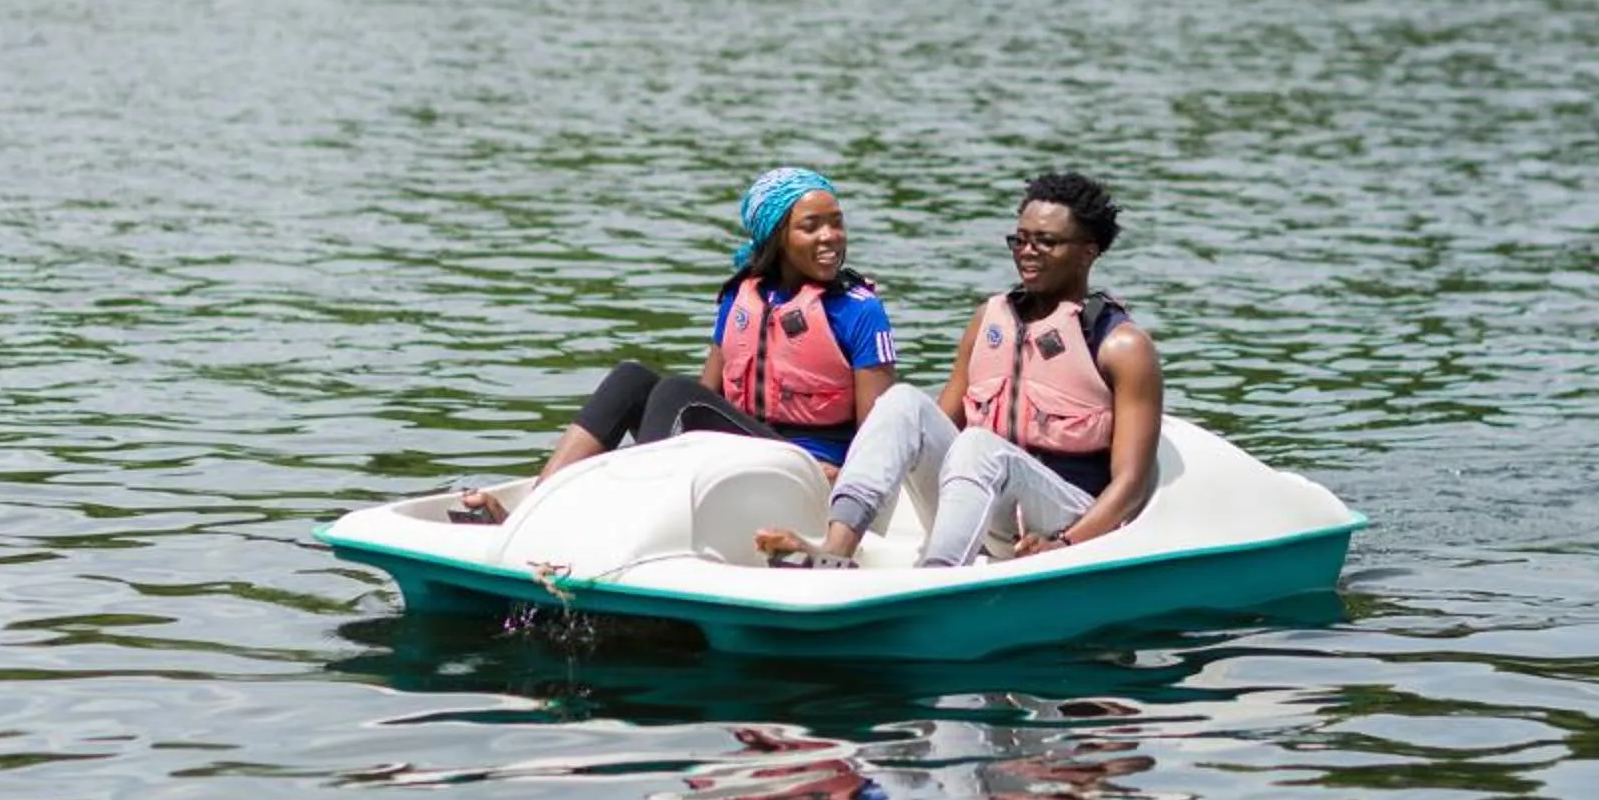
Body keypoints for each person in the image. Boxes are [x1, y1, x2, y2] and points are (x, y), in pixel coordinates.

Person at [755, 172, 1160, 568]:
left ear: (1088, 251)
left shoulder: (1122, 346)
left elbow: (1130, 485)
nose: (1027, 251)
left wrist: (1064, 543)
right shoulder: (989, 319)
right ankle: (837, 550)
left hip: (1063, 517)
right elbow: (934, 427)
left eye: (1046, 242)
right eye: (1020, 240)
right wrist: (853, 468)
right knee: (903, 403)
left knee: (980, 446)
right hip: (985, 506)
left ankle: (940, 575)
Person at [458, 167, 896, 520]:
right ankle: (534, 510)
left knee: (674, 392)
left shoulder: (859, 310)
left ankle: (632, 516)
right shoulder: (741, 297)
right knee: (632, 378)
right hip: (743, 453)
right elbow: (709, 398)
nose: (830, 237)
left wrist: (844, 480)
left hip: (809, 471)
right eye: (811, 226)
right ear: (777, 237)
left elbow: (878, 430)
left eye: (836, 223)